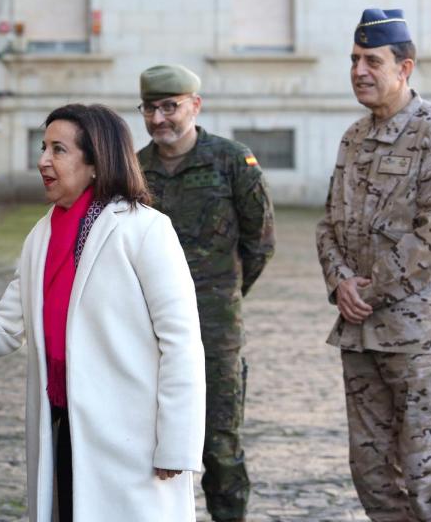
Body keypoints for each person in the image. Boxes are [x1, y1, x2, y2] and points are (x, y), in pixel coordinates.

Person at [0, 103, 205, 520]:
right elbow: (3, 328)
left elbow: (182, 343)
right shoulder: (41, 235)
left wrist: (176, 443)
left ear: (97, 161)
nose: (42, 161)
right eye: (43, 147)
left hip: (134, 440)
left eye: (58, 150)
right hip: (63, 429)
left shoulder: (145, 229)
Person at [316, 8, 431, 521]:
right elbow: (327, 226)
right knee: (373, 475)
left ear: (405, 68)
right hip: (360, 336)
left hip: (416, 338)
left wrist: (368, 291)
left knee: (428, 478)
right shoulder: (353, 138)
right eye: (355, 59)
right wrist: (340, 283)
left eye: (372, 61)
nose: (359, 70)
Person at [135, 64, 275, 522]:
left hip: (215, 332)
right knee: (149, 445)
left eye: (170, 107)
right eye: (150, 108)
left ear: (195, 105)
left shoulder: (233, 161)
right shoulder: (133, 170)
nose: (159, 119)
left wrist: (224, 296)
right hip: (147, 331)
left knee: (220, 445)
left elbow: (259, 242)